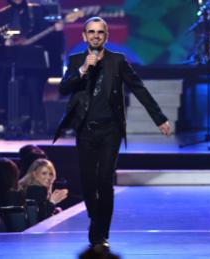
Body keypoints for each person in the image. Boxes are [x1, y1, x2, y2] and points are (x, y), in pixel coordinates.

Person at [53, 17, 171, 249]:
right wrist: (84, 69)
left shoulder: (117, 61)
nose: (95, 36)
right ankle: (96, 221)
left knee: (105, 181)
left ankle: (100, 233)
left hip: (110, 130)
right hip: (85, 129)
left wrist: (159, 118)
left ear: (106, 37)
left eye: (100, 32)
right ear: (84, 36)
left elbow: (139, 88)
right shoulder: (76, 59)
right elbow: (63, 88)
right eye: (91, 32)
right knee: (88, 183)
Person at [0, 0, 64, 135]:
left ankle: (36, 123)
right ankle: (10, 122)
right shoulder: (3, 13)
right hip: (12, 60)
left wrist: (57, 30)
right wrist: (5, 41)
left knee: (34, 87)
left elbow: (47, 33)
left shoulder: (37, 10)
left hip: (33, 59)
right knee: (9, 87)